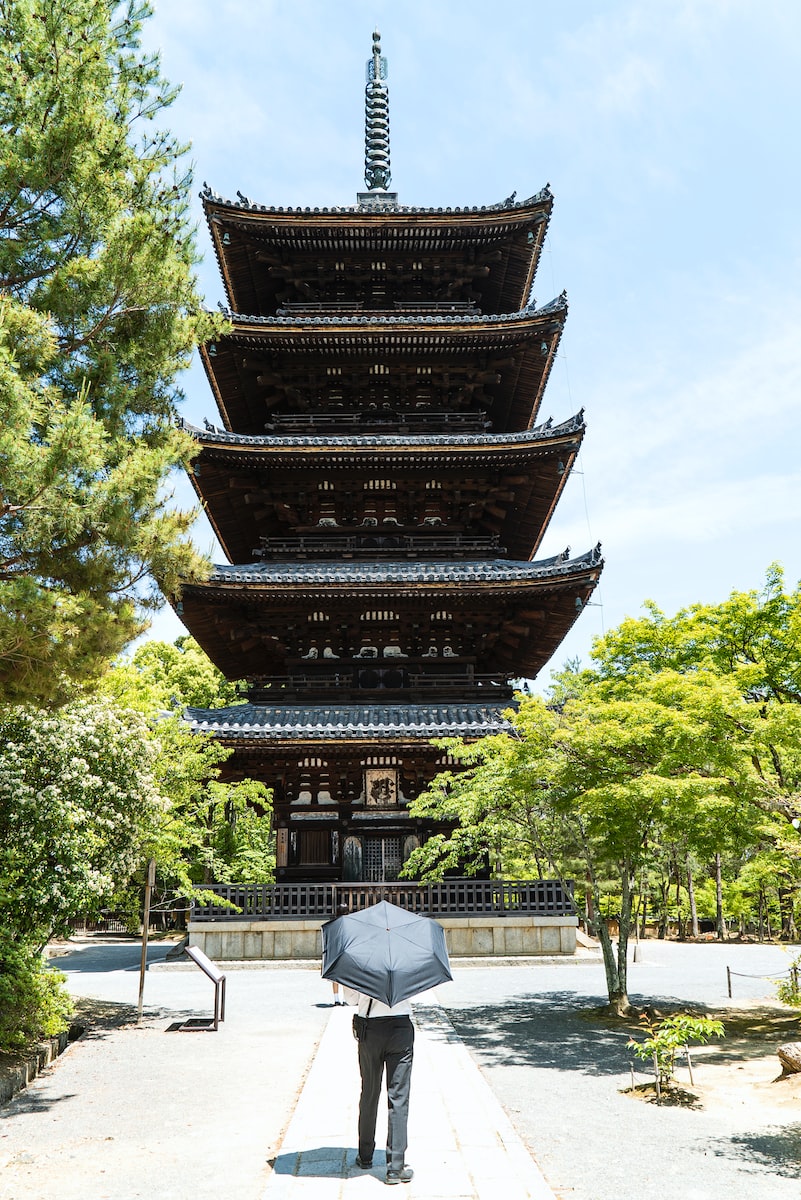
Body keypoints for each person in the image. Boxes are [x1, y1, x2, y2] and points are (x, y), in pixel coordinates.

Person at [343, 986, 414, 1185]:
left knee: (370, 1092)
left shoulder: (361, 960)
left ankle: (365, 1155)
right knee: (398, 1097)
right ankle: (395, 1167)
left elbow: (350, 1000)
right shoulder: (406, 958)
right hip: (400, 1027)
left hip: (370, 1030)